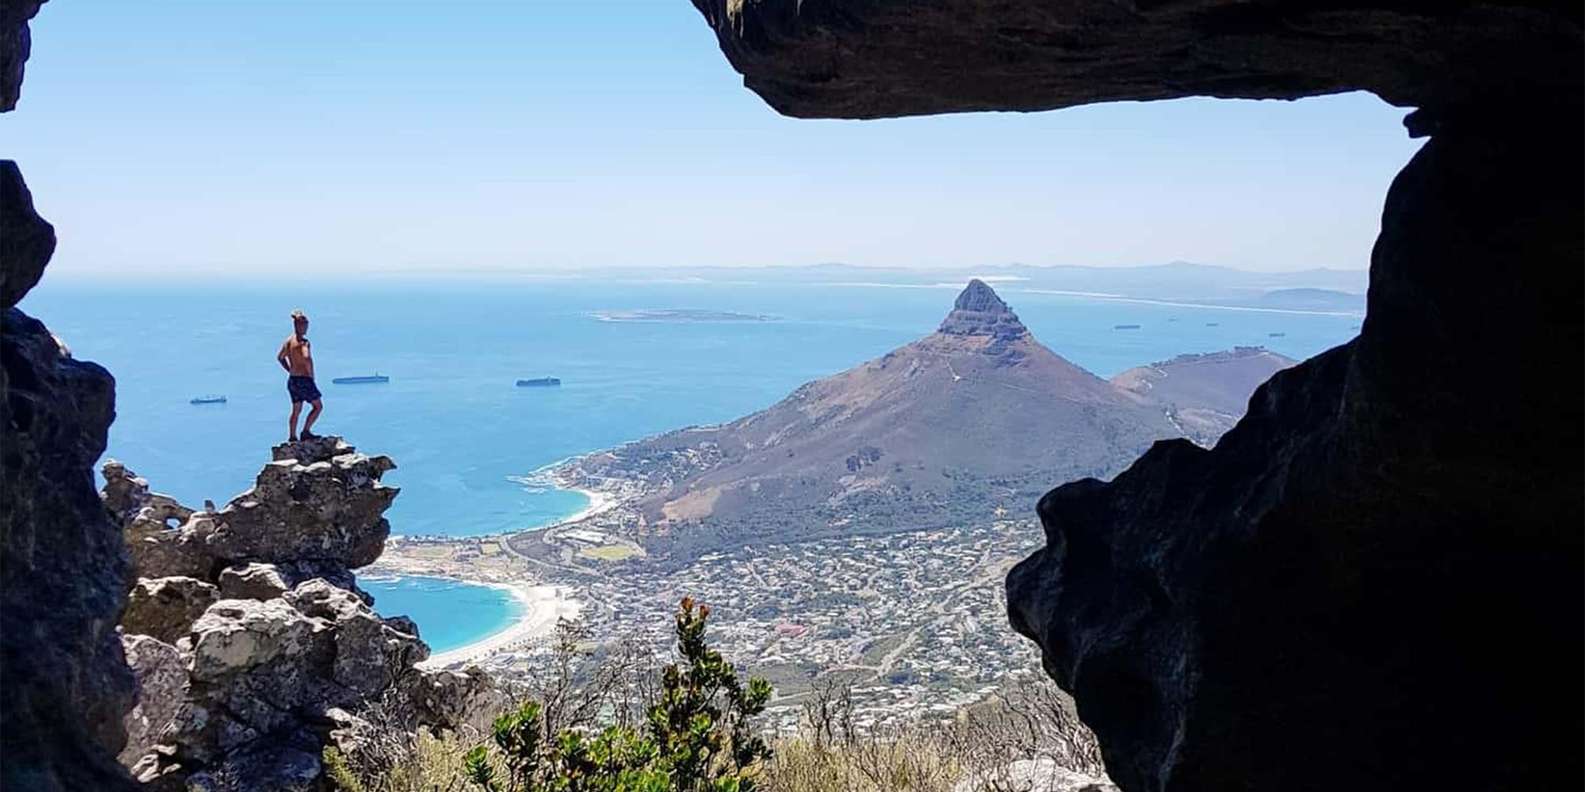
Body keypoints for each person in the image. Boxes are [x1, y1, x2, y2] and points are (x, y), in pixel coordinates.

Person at [277, 309, 323, 442]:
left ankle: (292, 436)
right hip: (304, 379)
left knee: (296, 409)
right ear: (299, 325)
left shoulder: (288, 341)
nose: (306, 327)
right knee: (318, 406)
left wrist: (290, 369)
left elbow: (280, 357)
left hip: (293, 380)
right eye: (305, 325)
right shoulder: (304, 343)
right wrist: (311, 375)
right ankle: (306, 431)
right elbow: (307, 357)